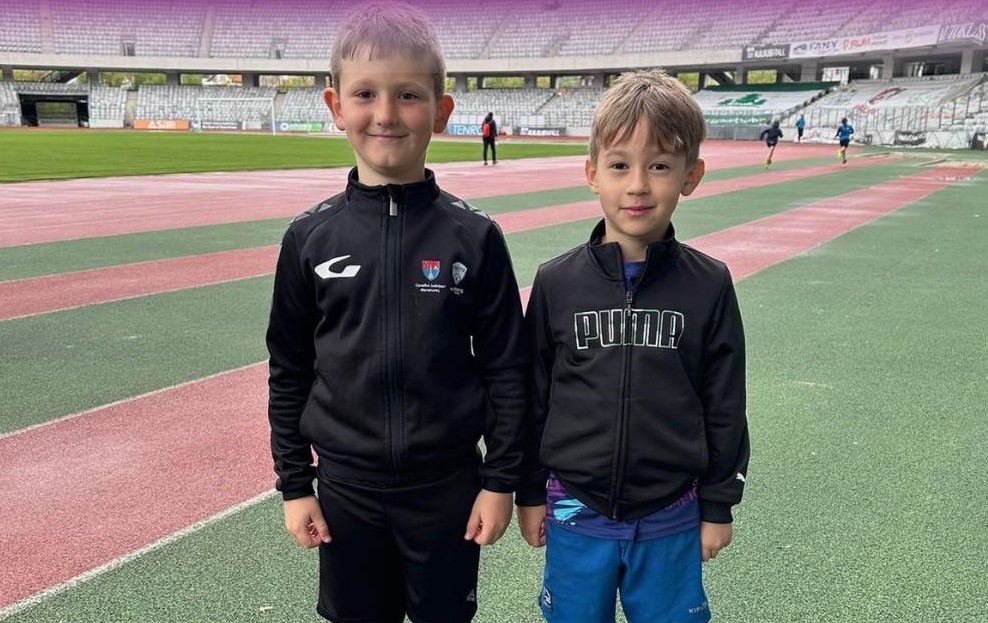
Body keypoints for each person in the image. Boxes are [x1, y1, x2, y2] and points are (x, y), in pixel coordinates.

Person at [265, 3, 528, 622]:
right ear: (336, 107)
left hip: (449, 488)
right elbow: (289, 370)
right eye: (365, 94)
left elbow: (507, 369)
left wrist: (500, 480)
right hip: (346, 490)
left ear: (440, 111)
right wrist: (295, 484)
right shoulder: (309, 238)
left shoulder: (475, 237)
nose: (385, 113)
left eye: (408, 95)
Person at [516, 68, 750, 623]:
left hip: (671, 510)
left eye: (660, 166)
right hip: (575, 506)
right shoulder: (556, 282)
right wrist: (529, 492)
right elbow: (531, 396)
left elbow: (724, 402)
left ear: (691, 175)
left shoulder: (709, 284)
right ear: (592, 173)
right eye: (620, 165)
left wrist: (718, 505)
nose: (638, 185)